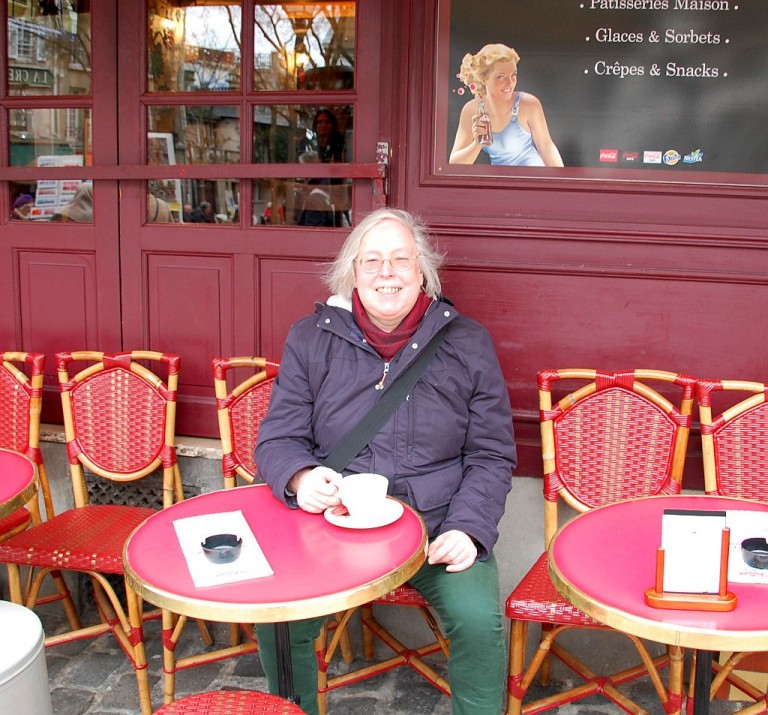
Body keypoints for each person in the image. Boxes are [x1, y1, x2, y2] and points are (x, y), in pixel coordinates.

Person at [254, 207, 517, 715]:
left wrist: (469, 528)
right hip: (334, 527)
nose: (386, 273)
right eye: (372, 260)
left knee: (476, 623)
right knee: (280, 620)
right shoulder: (311, 338)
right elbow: (277, 438)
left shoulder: (467, 343)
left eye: (401, 259)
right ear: (353, 273)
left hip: (436, 528)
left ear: (423, 272)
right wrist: (301, 477)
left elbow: (491, 453)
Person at [450, 43, 563, 167]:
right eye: (501, 77)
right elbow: (454, 164)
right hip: (500, 178)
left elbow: (546, 147)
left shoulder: (529, 104)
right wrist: (477, 145)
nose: (510, 83)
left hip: (532, 174)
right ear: (484, 79)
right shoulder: (471, 110)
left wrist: (563, 178)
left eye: (513, 75)